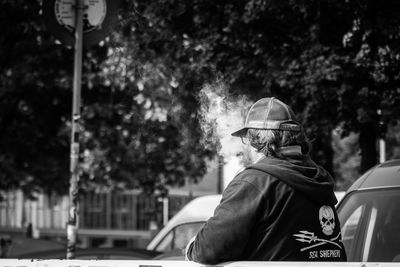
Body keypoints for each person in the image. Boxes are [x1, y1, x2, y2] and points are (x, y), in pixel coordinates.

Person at [185, 97, 347, 264]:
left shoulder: (253, 182)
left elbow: (205, 250)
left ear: (258, 140)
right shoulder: (319, 180)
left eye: (247, 139)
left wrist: (192, 246)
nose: (245, 147)